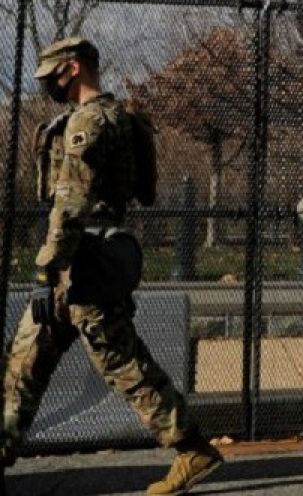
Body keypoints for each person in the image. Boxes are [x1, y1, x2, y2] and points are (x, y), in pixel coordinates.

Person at [1, 37, 222, 495]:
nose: (47, 86)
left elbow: (71, 202)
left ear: (74, 67)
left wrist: (47, 269)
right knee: (23, 363)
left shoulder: (89, 122)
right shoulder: (117, 116)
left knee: (122, 363)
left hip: (84, 263)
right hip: (80, 260)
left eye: (52, 76)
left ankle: (192, 447)